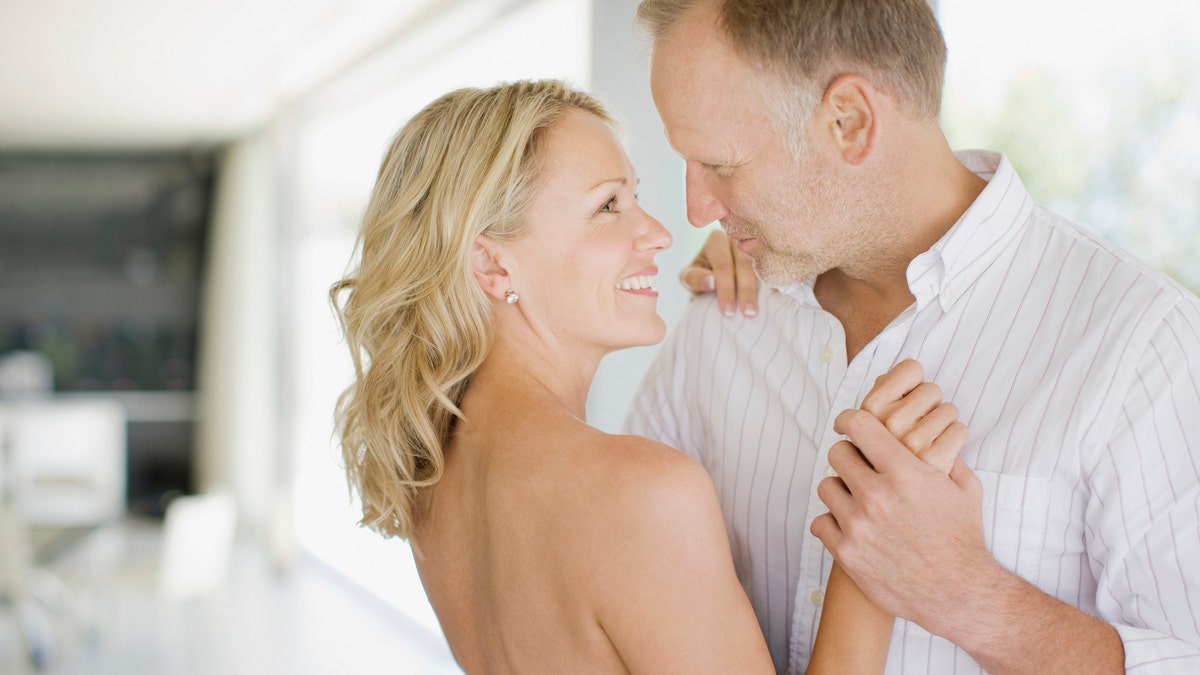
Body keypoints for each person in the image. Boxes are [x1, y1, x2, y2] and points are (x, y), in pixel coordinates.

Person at [625, 0, 1200, 673]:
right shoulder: (722, 318)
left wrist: (968, 594)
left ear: (850, 122)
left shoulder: (1141, 343)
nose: (698, 210)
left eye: (720, 166)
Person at [329, 79, 964, 673]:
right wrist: (873, 555)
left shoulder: (430, 483)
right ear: (493, 267)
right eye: (608, 205)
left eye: (635, 197)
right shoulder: (639, 494)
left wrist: (762, 243)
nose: (659, 233)